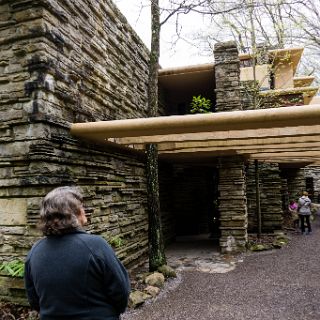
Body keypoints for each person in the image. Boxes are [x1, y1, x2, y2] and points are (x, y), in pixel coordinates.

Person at [24, 186, 130, 320]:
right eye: (81, 206)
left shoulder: (35, 251)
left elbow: (34, 301)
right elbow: (121, 291)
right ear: (73, 213)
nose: (84, 210)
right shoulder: (96, 245)